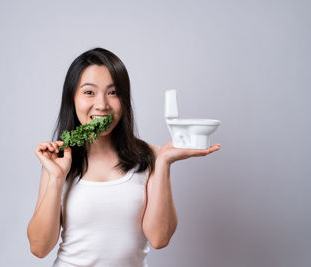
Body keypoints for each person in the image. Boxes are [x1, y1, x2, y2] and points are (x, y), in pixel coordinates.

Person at [27, 47, 220, 267]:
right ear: (72, 98)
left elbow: (159, 238)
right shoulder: (57, 162)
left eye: (113, 92)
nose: (102, 105)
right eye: (89, 92)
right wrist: (56, 178)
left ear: (124, 99)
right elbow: (39, 248)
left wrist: (164, 163)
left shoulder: (150, 156)